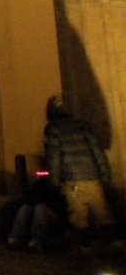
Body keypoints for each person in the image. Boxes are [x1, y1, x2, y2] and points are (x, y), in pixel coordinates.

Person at [44, 95, 115, 235]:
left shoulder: (54, 130)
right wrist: (105, 175)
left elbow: (54, 159)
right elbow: (97, 152)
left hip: (73, 181)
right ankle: (114, 244)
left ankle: (85, 249)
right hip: (93, 176)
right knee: (103, 214)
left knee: (79, 218)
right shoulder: (82, 125)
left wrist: (54, 182)